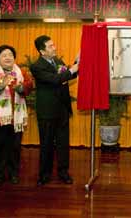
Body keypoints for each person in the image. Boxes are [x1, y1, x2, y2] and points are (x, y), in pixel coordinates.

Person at [0, 45, 33, 187]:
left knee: (15, 147)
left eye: (10, 55)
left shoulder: (20, 72)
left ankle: (14, 173)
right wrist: (1, 85)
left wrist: (21, 88)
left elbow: (29, 84)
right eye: (4, 55)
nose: (8, 57)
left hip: (16, 118)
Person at [30, 35, 79, 186]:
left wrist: (78, 62)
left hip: (62, 109)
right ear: (42, 51)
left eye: (54, 45)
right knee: (46, 143)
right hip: (47, 111)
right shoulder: (37, 66)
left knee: (63, 143)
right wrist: (72, 70)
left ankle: (63, 172)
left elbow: (70, 74)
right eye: (50, 46)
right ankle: (44, 174)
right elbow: (55, 79)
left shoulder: (57, 61)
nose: (54, 48)